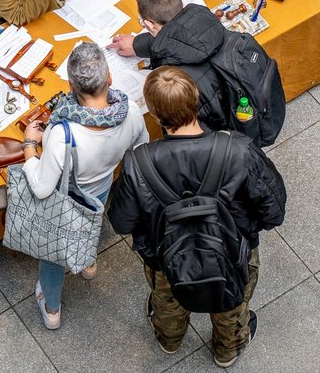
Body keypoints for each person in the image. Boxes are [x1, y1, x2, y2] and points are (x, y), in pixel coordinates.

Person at [107, 67, 287, 366]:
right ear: (196, 98)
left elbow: (122, 222)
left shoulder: (138, 163)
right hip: (233, 255)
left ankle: (169, 340)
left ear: (153, 111)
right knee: (233, 304)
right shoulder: (239, 149)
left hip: (166, 259)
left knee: (168, 303)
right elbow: (274, 210)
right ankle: (226, 350)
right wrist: (245, 229)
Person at [19, 41, 148, 330]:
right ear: (109, 79)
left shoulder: (61, 133)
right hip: (101, 187)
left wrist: (30, 146)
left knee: (52, 256)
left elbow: (41, 187)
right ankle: (88, 264)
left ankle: (52, 309)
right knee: (92, 223)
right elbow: (141, 151)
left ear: (71, 85)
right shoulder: (132, 113)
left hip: (66, 198)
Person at [108, 0, 227, 131]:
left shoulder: (174, 78)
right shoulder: (211, 25)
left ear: (149, 24)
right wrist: (137, 44)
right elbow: (182, 40)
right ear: (182, 6)